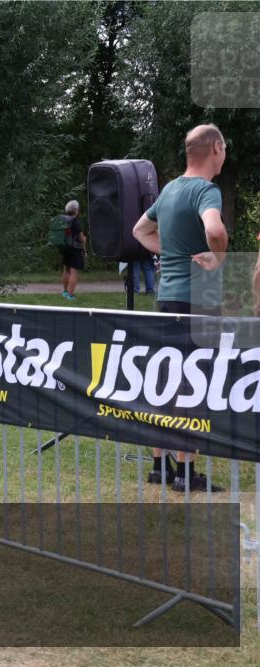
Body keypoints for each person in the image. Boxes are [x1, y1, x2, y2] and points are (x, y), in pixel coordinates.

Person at [133, 123, 228, 493]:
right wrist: (218, 257)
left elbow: (139, 230)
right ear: (216, 148)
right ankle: (187, 472)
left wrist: (170, 253)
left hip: (167, 297)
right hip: (197, 300)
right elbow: (215, 231)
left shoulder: (170, 189)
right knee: (193, 384)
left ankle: (160, 465)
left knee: (166, 382)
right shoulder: (206, 191)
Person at [59, 200, 86, 301]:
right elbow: (81, 237)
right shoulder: (76, 221)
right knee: (74, 271)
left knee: (66, 269)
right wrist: (84, 247)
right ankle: (70, 295)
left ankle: (65, 292)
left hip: (66, 248)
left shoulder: (63, 219)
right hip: (75, 248)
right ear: (75, 210)